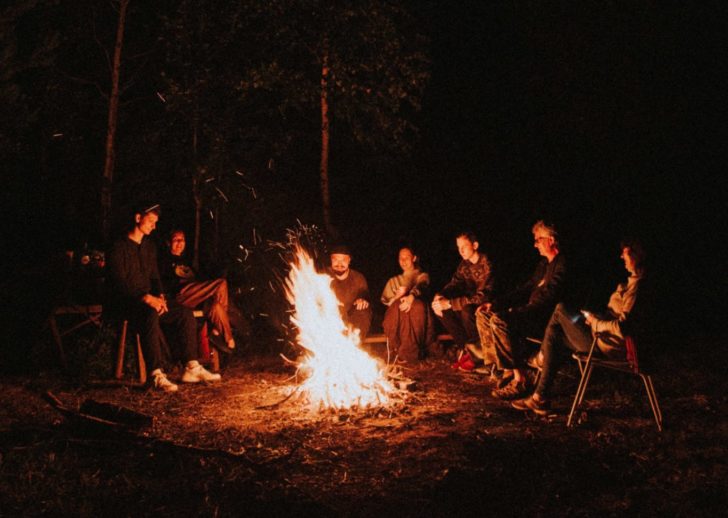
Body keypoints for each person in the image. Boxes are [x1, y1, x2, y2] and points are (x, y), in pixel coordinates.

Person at [512, 240, 646, 415]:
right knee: (555, 334)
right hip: (601, 337)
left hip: (608, 345)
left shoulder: (637, 287)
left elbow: (622, 327)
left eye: (625, 252)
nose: (621, 256)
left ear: (637, 255)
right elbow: (615, 318)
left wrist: (595, 322)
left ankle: (541, 359)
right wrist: (595, 317)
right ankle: (539, 397)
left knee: (560, 310)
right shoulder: (632, 282)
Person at [106, 203, 221, 392]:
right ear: (137, 218)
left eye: (155, 222)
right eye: (151, 221)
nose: (154, 226)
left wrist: (159, 295)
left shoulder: (149, 247)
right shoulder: (118, 247)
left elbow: (154, 277)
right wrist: (145, 298)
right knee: (150, 312)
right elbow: (119, 282)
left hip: (148, 299)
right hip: (127, 302)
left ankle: (191, 366)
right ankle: (156, 374)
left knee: (184, 312)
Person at [479, 220, 566, 400]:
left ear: (550, 240)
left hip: (543, 318)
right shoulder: (543, 265)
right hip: (529, 313)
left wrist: (517, 311)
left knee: (500, 321)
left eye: (538, 240)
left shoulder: (562, 265)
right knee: (484, 314)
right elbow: (525, 288)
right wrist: (495, 304)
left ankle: (521, 380)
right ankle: (507, 371)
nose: (535, 245)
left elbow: (549, 298)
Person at [159, 229, 235, 353]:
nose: (180, 243)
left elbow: (200, 280)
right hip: (180, 295)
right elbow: (163, 283)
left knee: (216, 306)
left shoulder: (187, 261)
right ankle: (221, 333)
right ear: (168, 243)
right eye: (176, 240)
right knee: (221, 283)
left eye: (182, 240)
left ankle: (219, 333)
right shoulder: (164, 260)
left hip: (195, 296)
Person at [431, 231, 494, 366]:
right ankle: (466, 350)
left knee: (466, 310)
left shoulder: (487, 263)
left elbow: (483, 297)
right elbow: (455, 283)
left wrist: (450, 303)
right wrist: (440, 296)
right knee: (442, 310)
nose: (461, 251)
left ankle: (479, 355)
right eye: (458, 247)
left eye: (464, 246)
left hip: (487, 306)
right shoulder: (464, 265)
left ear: (475, 245)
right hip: (468, 304)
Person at [381, 246, 436, 362]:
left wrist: (411, 296)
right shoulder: (394, 281)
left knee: (417, 306)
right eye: (401, 258)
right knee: (397, 306)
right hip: (397, 317)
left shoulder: (422, 276)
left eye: (407, 257)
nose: (403, 261)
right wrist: (397, 297)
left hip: (417, 316)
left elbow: (422, 286)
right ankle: (398, 349)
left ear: (414, 258)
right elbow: (387, 304)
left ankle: (410, 352)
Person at [327, 244, 372, 340]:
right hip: (329, 319)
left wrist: (362, 300)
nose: (339, 263)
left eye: (343, 260)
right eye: (336, 259)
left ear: (349, 261)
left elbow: (364, 295)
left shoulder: (358, 278)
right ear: (331, 260)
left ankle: (354, 346)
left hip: (351, 321)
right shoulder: (322, 276)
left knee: (363, 310)